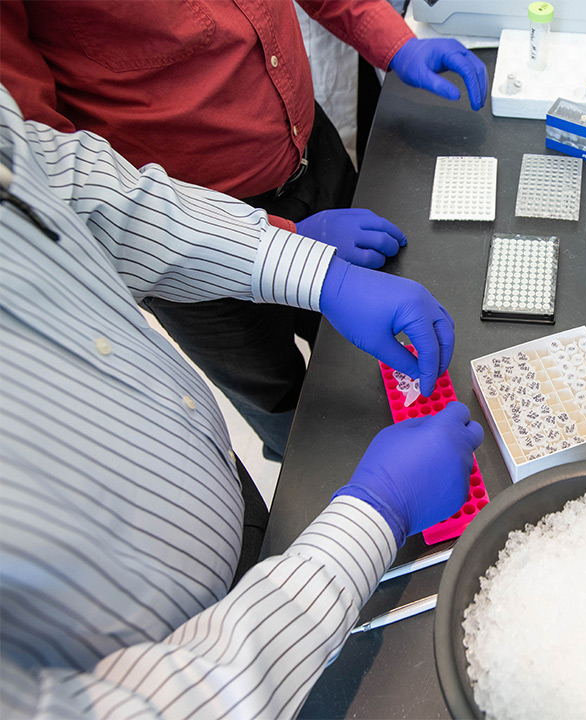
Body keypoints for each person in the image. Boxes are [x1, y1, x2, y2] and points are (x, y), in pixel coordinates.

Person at [0, 84, 483, 718]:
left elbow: (86, 191)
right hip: (195, 652)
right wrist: (374, 517)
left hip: (226, 500)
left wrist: (308, 267)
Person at [0, 0, 490, 462]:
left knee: (369, 354)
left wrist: (390, 37)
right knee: (277, 397)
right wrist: (284, 240)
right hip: (179, 235)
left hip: (308, 156)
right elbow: (50, 172)